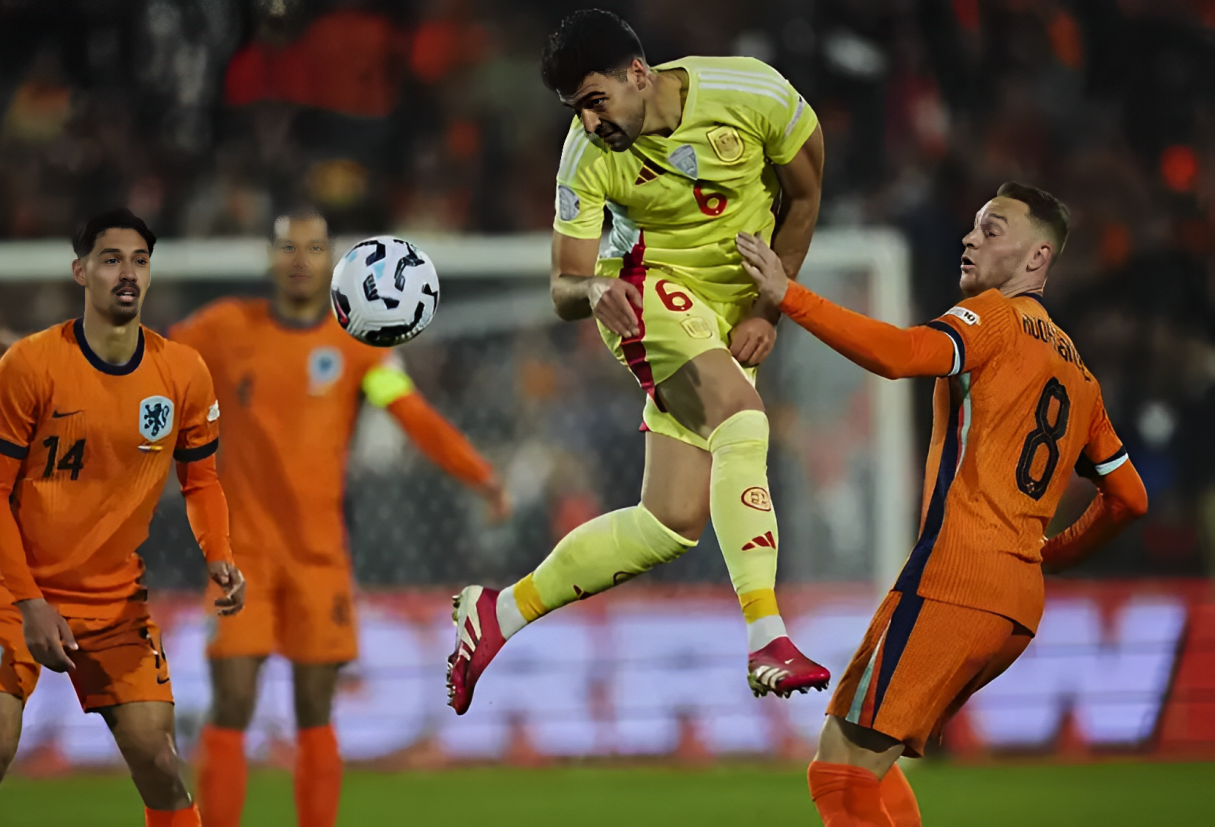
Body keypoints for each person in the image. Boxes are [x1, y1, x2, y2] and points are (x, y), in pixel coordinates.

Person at [447, 8, 830, 715]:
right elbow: (563, 285)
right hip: (645, 292)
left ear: (638, 74)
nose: (591, 123)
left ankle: (497, 612)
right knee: (742, 420)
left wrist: (767, 308)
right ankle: (768, 636)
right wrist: (594, 287)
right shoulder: (586, 157)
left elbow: (804, 197)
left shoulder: (756, 96)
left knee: (671, 520)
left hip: (732, 309)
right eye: (576, 110)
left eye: (596, 102)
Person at [737, 183, 1150, 826]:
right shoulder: (1081, 375)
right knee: (871, 761)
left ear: (1038, 256)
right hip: (1012, 602)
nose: (970, 238)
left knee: (841, 774)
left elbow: (901, 356)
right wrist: (1051, 557)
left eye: (993, 229)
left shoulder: (991, 317)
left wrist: (788, 295)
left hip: (954, 579)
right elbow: (1129, 498)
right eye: (974, 225)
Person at [169, 208, 510, 827]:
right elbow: (147, 362)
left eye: (314, 247)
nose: (300, 259)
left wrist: (479, 475)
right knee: (233, 704)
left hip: (319, 558)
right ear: (269, 259)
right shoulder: (222, 330)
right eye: (287, 247)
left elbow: (412, 415)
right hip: (239, 553)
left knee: (315, 712)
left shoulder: (357, 348)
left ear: (334, 262)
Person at [0, 209, 246, 827]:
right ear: (81, 271)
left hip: (114, 600)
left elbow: (202, 479)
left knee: (159, 760)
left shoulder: (182, 372)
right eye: (111, 260)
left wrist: (219, 553)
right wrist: (29, 603)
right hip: (13, 590)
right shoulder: (30, 365)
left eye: (139, 260)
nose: (126, 273)